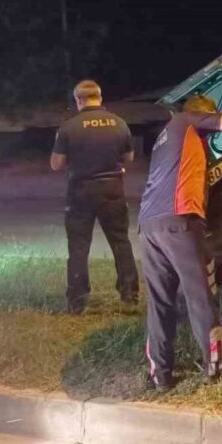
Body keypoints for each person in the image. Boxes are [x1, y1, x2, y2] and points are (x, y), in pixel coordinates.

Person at [137, 94, 222, 391]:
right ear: (204, 114)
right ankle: (217, 367)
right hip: (180, 221)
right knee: (200, 295)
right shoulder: (188, 120)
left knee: (160, 302)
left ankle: (160, 375)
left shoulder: (164, 137)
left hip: (148, 225)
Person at [51, 80, 139, 312]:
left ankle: (77, 301)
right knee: (120, 242)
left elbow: (56, 164)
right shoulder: (119, 123)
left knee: (78, 247)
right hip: (112, 189)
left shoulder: (68, 127)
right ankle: (129, 296)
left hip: (80, 192)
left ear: (79, 100)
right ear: (99, 98)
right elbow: (129, 157)